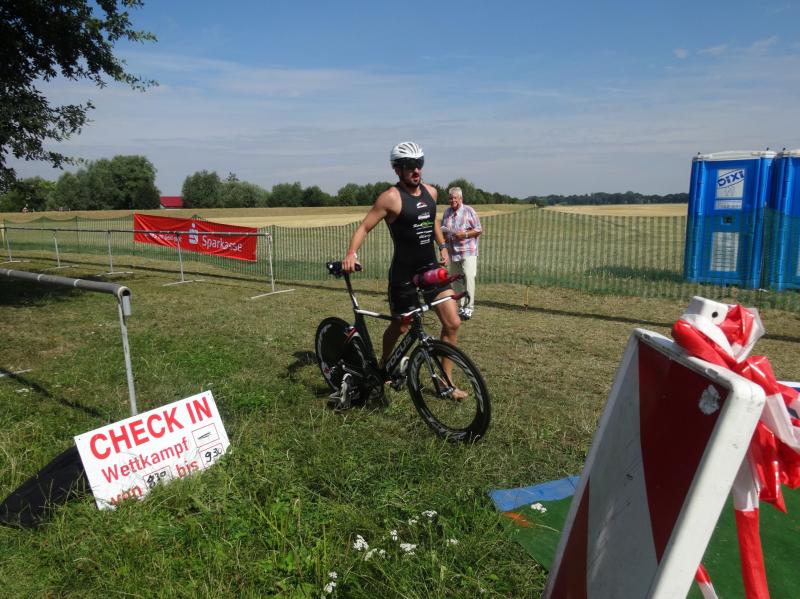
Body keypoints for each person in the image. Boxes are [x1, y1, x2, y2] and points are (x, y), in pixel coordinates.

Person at [342, 141, 465, 399]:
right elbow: (364, 227)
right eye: (409, 165)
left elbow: (432, 220)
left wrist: (442, 245)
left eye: (419, 163)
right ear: (397, 169)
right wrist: (352, 253)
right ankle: (384, 364)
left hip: (430, 268)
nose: (416, 170)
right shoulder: (390, 198)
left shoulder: (431, 193)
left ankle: (445, 383)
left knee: (452, 323)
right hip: (404, 272)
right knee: (400, 326)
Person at [440, 187, 482, 320]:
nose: (452, 200)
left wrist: (464, 234)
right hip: (453, 251)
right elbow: (443, 231)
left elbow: (479, 229)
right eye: (450, 198)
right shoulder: (447, 212)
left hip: (468, 250)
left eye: (455, 198)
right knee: (456, 279)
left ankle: (469, 307)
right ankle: (461, 306)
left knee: (469, 277)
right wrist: (444, 243)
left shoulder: (469, 211)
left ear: (461, 199)